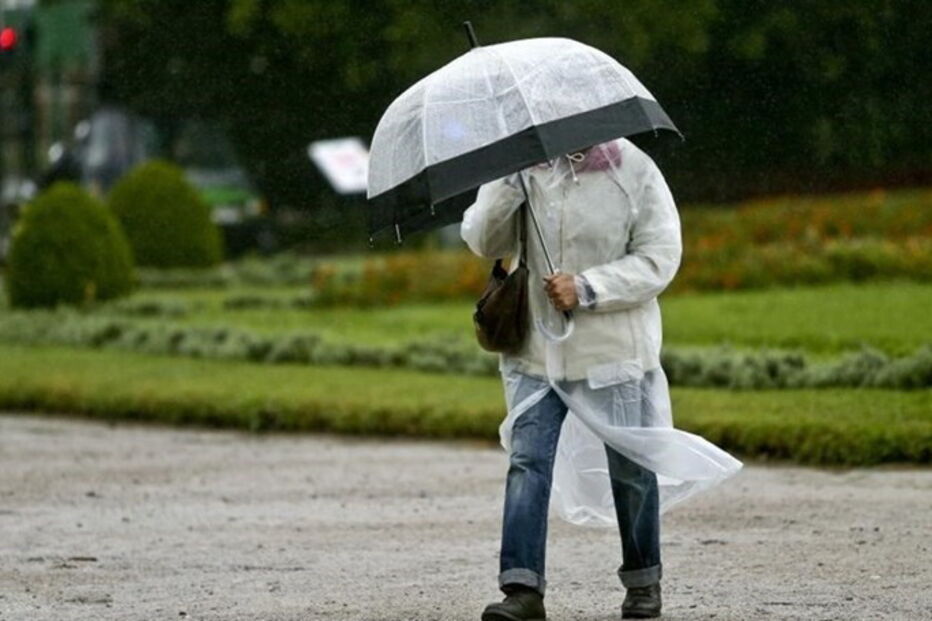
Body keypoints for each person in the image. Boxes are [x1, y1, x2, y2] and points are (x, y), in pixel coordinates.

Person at [461, 137, 740, 620]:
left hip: (612, 350)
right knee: (527, 460)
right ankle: (522, 590)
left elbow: (659, 256)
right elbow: (485, 241)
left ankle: (643, 583)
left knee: (631, 468)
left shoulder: (631, 169)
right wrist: (508, 177)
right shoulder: (524, 168)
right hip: (537, 353)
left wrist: (589, 287)